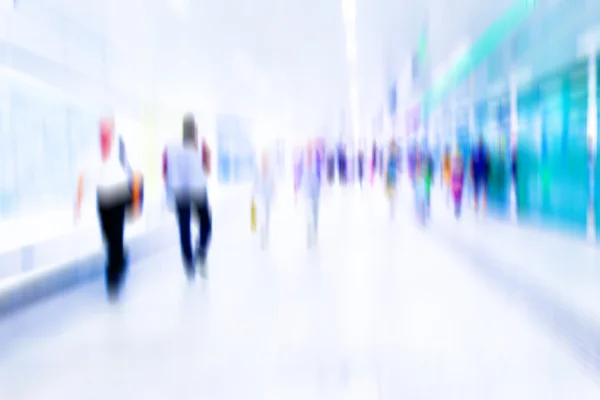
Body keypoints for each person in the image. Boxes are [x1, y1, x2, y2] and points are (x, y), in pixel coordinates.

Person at [75, 117, 131, 301]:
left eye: (107, 131)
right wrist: (78, 204)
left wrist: (133, 201)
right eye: (101, 131)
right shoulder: (92, 152)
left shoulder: (119, 149)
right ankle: (120, 259)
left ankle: (112, 280)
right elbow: (82, 176)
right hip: (104, 199)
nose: (104, 135)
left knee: (115, 237)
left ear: (112, 133)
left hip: (119, 195)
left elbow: (132, 174)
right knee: (108, 238)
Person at [163, 114, 212, 280]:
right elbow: (207, 169)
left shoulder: (172, 147)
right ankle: (201, 251)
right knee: (205, 222)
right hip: (198, 190)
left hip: (180, 193)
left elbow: (165, 171)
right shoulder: (201, 146)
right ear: (194, 130)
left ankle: (189, 265)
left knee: (184, 229)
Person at [252, 151, 275, 248]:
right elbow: (255, 183)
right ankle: (262, 235)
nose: (265, 159)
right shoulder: (258, 169)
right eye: (263, 157)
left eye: (266, 157)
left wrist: (274, 195)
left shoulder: (271, 170)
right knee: (261, 215)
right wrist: (253, 195)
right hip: (261, 196)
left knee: (267, 215)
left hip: (268, 196)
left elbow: (273, 183)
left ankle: (266, 233)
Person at [303, 143, 321, 246]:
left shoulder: (317, 163)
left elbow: (320, 175)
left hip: (316, 192)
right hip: (308, 193)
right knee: (309, 212)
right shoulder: (305, 166)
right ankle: (310, 233)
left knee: (315, 211)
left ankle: (315, 230)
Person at [470, 134, 490, 213]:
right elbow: (472, 160)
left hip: (483, 170)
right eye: (479, 139)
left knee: (483, 187)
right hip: (477, 170)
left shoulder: (485, 149)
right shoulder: (475, 148)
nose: (480, 141)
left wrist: (488, 170)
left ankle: (483, 204)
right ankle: (476, 204)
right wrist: (471, 170)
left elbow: (488, 160)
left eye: (480, 139)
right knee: (476, 188)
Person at [385, 139, 400, 219]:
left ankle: (392, 211)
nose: (393, 148)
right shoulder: (390, 155)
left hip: (393, 176)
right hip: (390, 177)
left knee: (393, 195)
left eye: (394, 146)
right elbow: (388, 167)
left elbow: (396, 166)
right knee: (391, 194)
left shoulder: (394, 155)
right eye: (392, 146)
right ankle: (391, 212)